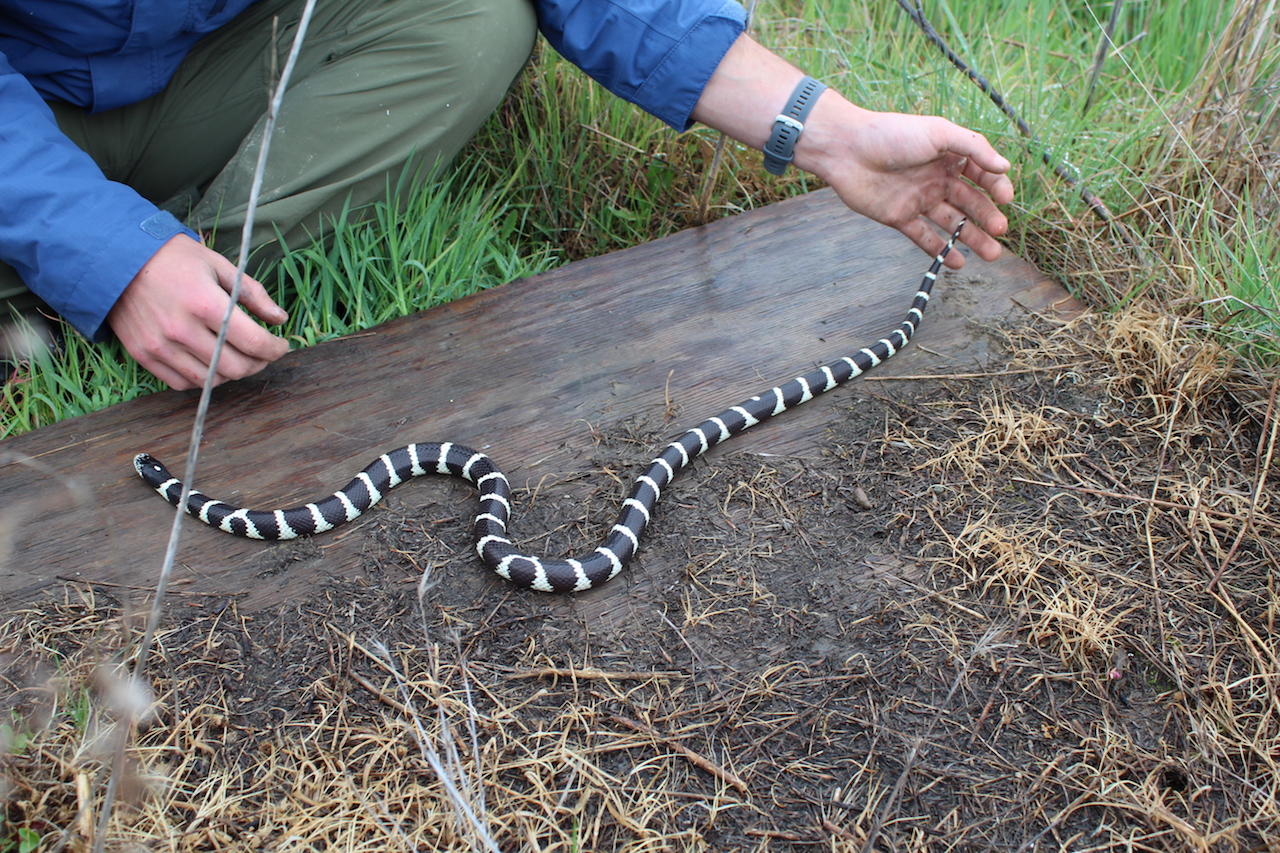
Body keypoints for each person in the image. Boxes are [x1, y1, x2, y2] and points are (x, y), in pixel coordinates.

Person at [0, 0, 1014, 391]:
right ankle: (107, 281)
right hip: (26, 92)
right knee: (79, 238)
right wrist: (107, 250)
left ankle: (191, 291)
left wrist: (828, 131)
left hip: (212, 58)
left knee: (472, 15)